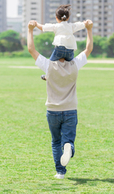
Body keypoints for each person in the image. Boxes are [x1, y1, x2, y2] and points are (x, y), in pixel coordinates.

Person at [27, 19, 94, 179]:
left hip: (53, 111)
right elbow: (88, 49)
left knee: (55, 141)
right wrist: (89, 30)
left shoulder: (49, 66)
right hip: (70, 109)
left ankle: (60, 172)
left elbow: (31, 49)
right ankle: (68, 146)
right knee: (67, 140)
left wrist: (30, 30)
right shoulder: (74, 65)